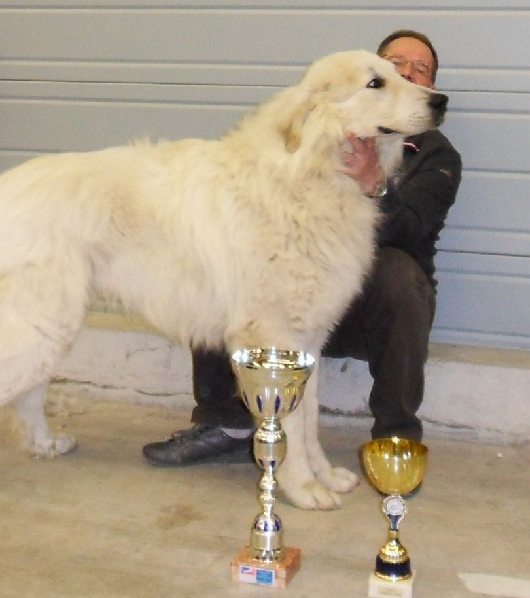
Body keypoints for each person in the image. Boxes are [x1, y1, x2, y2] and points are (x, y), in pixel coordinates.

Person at [142, 30, 463, 466]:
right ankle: (226, 422)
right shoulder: (309, 137)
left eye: (419, 69)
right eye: (390, 65)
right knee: (228, 258)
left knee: (397, 271)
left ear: (426, 86)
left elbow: (410, 229)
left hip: (372, 315)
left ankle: (395, 441)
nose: (405, 72)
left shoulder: (437, 156)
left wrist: (373, 181)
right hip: (298, 297)